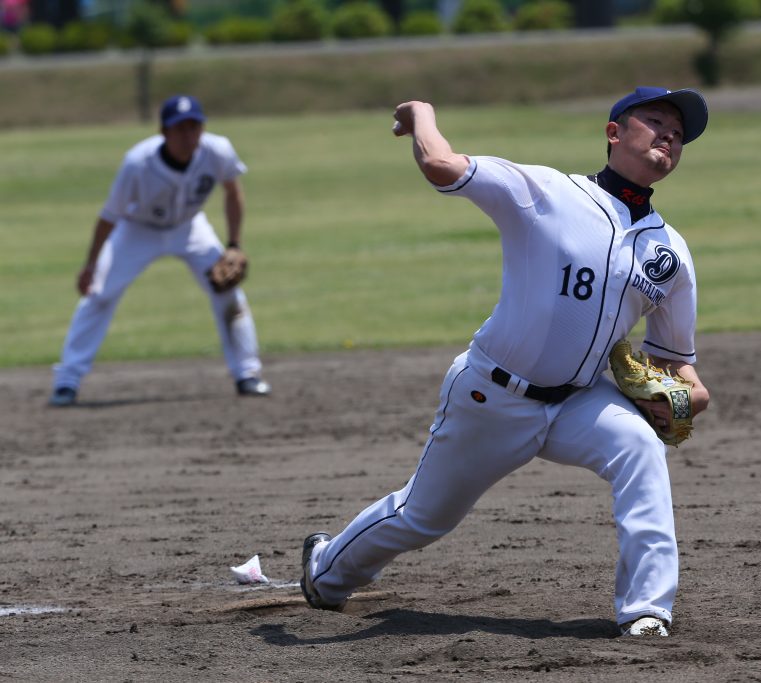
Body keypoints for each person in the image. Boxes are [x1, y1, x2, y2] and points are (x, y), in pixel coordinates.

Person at [300, 87, 712, 637]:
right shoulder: (546, 192)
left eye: (679, 133)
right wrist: (422, 114)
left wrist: (690, 398)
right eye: (656, 120)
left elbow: (675, 364)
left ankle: (647, 611)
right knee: (424, 517)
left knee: (639, 447)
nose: (670, 135)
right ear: (614, 133)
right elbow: (442, 166)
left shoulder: (671, 253)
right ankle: (327, 570)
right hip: (492, 395)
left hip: (578, 403)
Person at [48, 94, 270, 407]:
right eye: (180, 128)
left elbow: (233, 192)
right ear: (164, 131)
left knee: (228, 291)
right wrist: (90, 265)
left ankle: (247, 374)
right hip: (137, 231)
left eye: (194, 126)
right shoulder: (138, 163)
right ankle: (67, 381)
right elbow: (109, 217)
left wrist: (234, 244)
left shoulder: (217, 150)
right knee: (99, 294)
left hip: (190, 228)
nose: (188, 135)